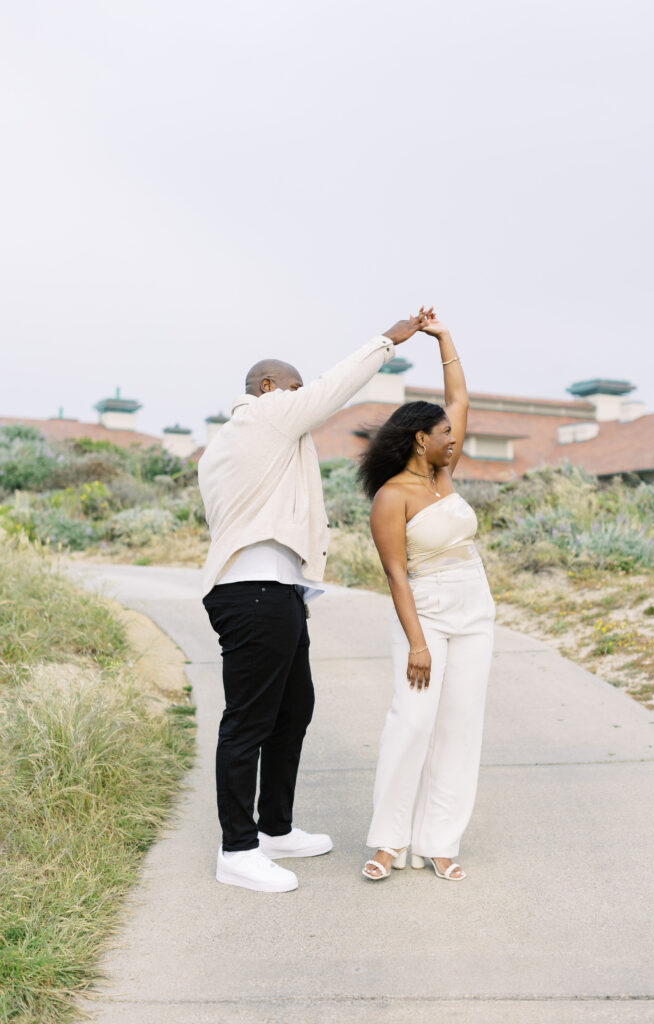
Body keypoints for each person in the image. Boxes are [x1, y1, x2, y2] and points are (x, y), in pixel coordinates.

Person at [198, 310, 430, 893]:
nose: (302, 402)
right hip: (253, 593)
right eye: (293, 391)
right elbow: (330, 391)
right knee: (248, 721)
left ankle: (275, 828)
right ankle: (237, 849)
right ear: (269, 388)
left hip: (274, 592)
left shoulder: (245, 441)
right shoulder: (262, 416)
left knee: (292, 709)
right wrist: (388, 341)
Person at [358, 311, 495, 882]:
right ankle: (388, 841)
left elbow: (458, 396)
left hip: (475, 610)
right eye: (444, 434)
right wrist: (418, 643)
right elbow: (395, 575)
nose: (453, 438)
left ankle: (441, 842)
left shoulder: (445, 475)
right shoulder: (393, 496)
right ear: (421, 438)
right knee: (412, 721)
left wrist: (443, 338)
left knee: (460, 726)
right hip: (427, 614)